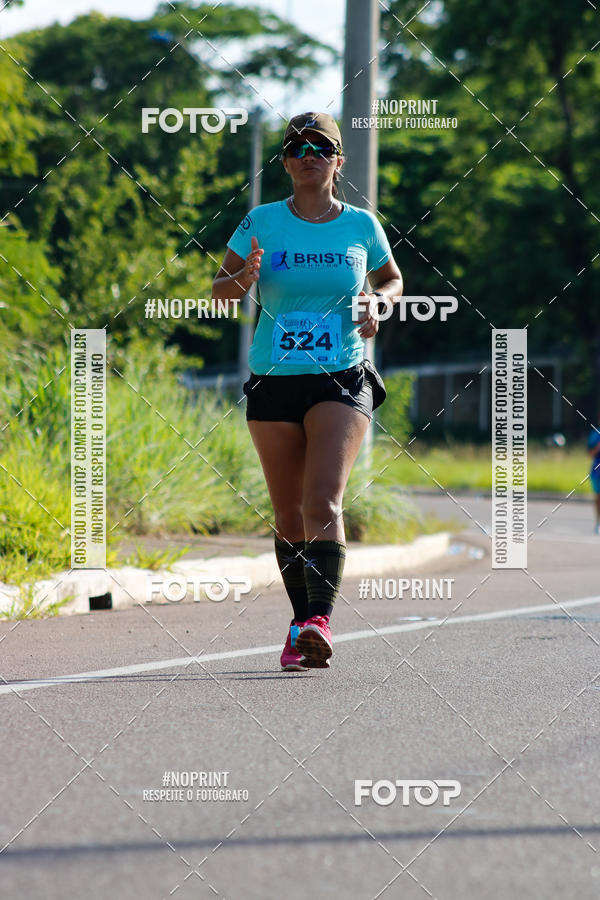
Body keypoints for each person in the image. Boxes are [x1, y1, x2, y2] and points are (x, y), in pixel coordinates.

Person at [212, 111, 403, 670]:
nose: (307, 155)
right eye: (296, 147)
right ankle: (301, 630)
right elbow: (220, 291)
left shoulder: (361, 226)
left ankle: (320, 619)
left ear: (338, 161)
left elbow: (392, 279)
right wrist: (243, 277)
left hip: (341, 375)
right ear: (285, 162)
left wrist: (379, 302)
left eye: (320, 147)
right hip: (274, 377)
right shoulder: (260, 221)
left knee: (322, 500)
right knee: (289, 514)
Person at [587, 418, 600, 533]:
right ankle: (598, 523)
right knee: (598, 497)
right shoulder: (595, 434)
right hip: (597, 470)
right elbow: (590, 454)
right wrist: (597, 447)